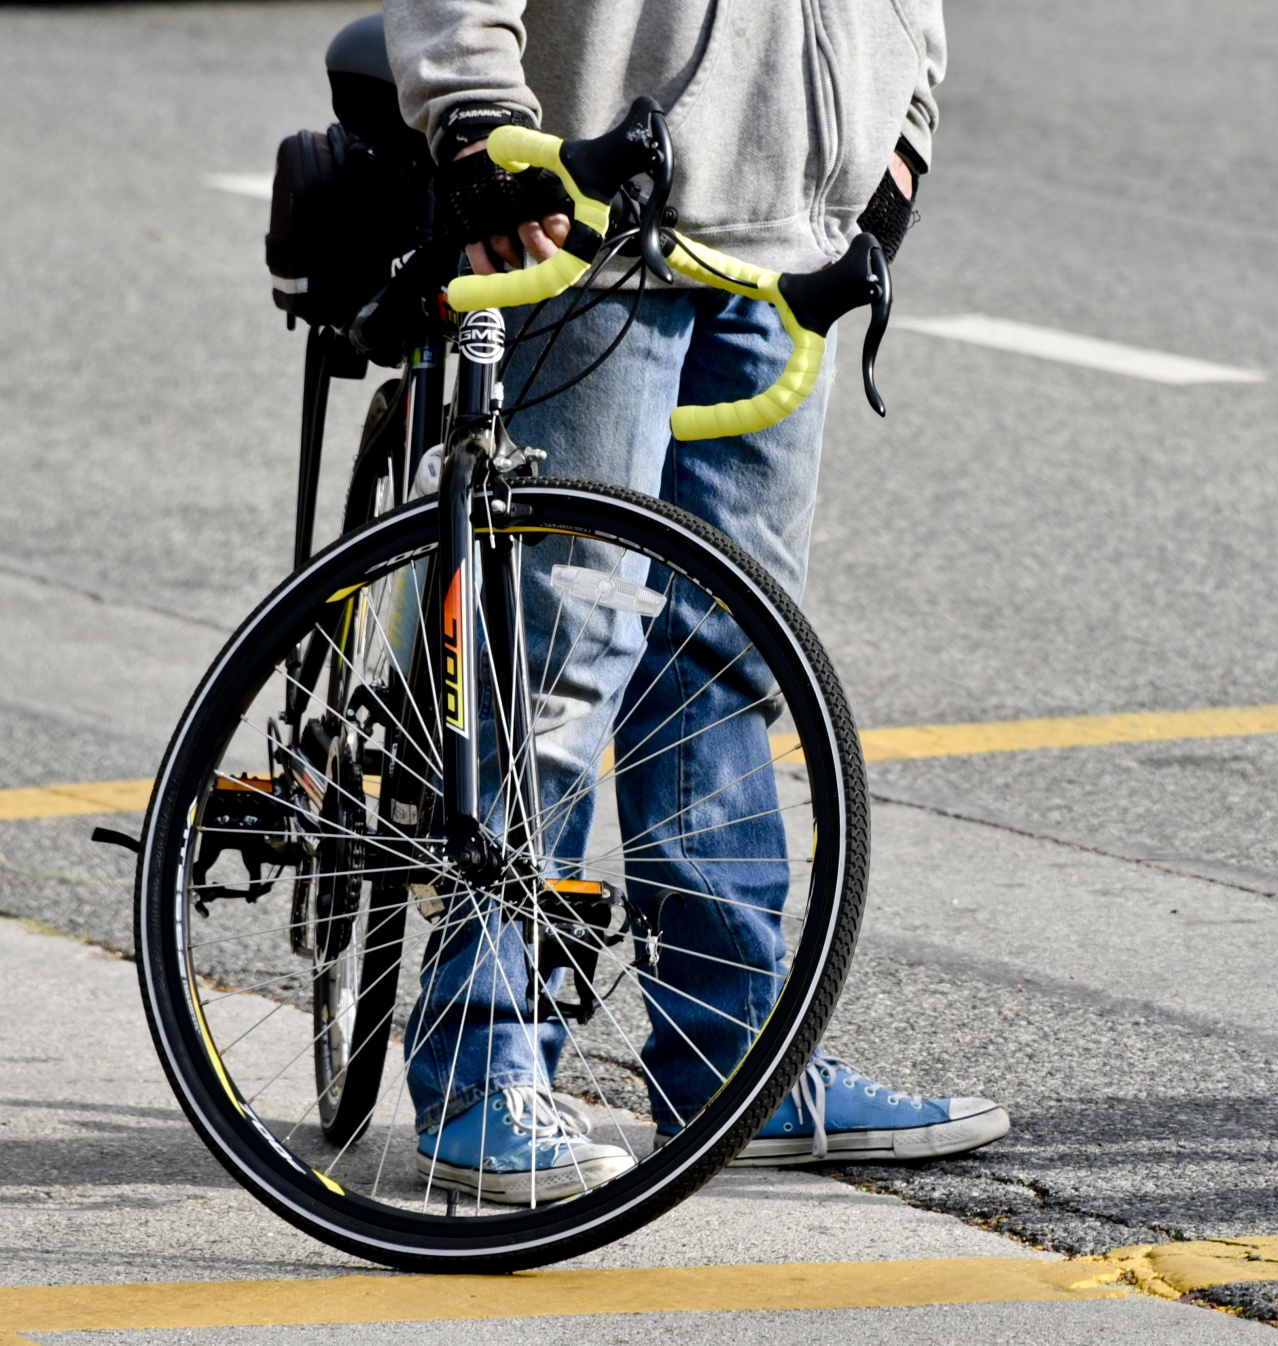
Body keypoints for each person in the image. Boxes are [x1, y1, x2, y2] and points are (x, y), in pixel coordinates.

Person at [380, 0, 1010, 1200]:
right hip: (591, 220)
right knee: (562, 655)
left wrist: (902, 132)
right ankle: (478, 1073)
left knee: (722, 667)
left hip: (795, 248)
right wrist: (476, 120)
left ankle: (735, 1068)